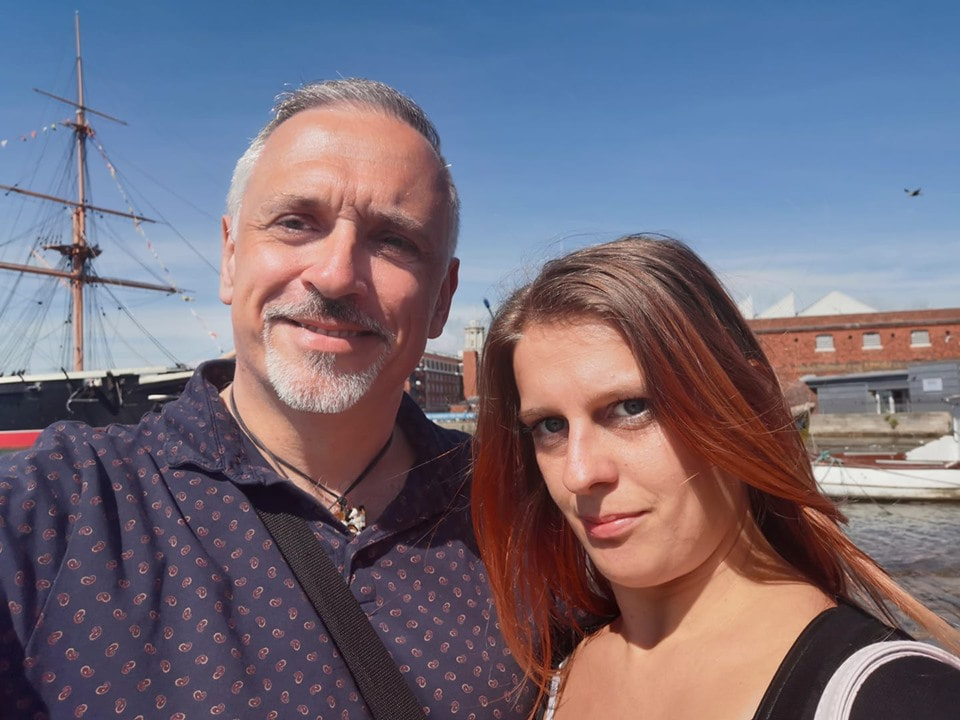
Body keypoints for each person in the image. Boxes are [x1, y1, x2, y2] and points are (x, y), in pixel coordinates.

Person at [0, 79, 531, 719]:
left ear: (443, 298)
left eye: (393, 240)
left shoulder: (524, 507)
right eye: (295, 223)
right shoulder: (52, 512)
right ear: (230, 256)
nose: (336, 275)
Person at [471, 235, 960, 720]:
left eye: (632, 408)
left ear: (747, 404)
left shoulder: (900, 698)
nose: (579, 474)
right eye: (550, 426)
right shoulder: (548, 676)